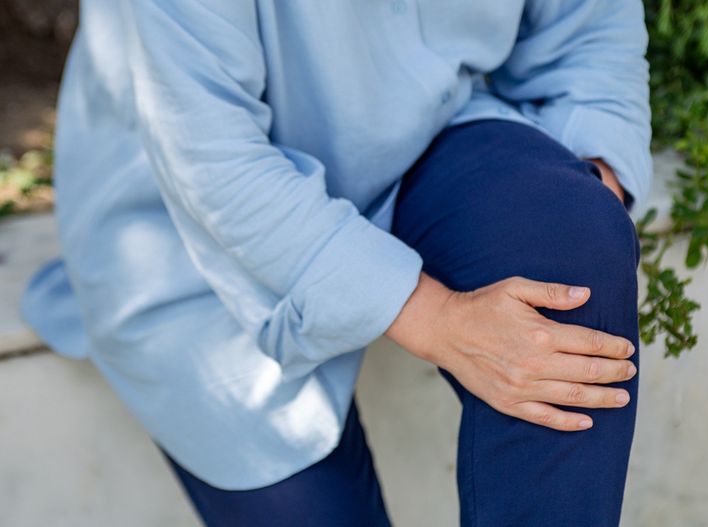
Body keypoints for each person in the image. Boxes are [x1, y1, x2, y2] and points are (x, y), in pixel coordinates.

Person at [20, 1, 652, 525]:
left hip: (422, 136)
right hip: (194, 230)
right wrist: (432, 316)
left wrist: (595, 181)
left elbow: (590, 25)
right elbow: (213, 159)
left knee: (572, 254)